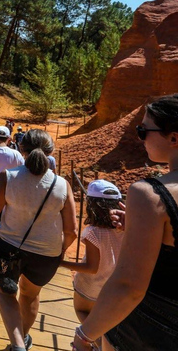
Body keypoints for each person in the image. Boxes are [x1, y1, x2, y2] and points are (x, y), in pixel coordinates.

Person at [72, 94, 178, 351]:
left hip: (151, 328)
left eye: (143, 130)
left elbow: (128, 287)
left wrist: (85, 335)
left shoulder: (150, 194)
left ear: (174, 137)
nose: (139, 137)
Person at [0, 129, 77, 351]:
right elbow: (71, 231)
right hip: (46, 254)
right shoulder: (62, 185)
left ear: (22, 150)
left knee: (5, 291)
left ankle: (18, 345)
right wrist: (58, 251)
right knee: (30, 296)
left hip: (7, 247)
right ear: (51, 152)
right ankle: (23, 337)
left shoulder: (9, 177)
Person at [60, 180, 124, 329]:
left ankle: (98, 343)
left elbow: (92, 268)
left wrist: (60, 263)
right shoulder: (125, 228)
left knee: (82, 312)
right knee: (102, 320)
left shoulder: (93, 233)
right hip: (111, 287)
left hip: (90, 286)